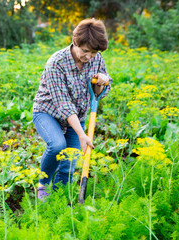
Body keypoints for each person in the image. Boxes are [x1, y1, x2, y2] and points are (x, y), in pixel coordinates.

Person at [32, 18, 112, 200]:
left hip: (79, 115)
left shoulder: (96, 58)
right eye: (85, 51)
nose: (89, 56)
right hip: (47, 112)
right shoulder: (56, 63)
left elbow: (100, 91)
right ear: (75, 42)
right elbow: (63, 105)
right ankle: (43, 185)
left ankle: (59, 198)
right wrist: (81, 134)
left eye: (93, 52)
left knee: (70, 160)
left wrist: (103, 81)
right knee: (58, 145)